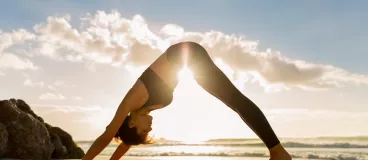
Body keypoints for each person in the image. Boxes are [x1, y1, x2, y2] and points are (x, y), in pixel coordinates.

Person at [82, 41, 292, 160]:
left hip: (186, 55)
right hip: (190, 63)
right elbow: (126, 143)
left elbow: (107, 135)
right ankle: (276, 151)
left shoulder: (131, 100)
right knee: (233, 102)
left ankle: (278, 152)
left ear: (131, 122)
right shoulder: (144, 109)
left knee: (234, 99)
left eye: (144, 131)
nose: (150, 128)